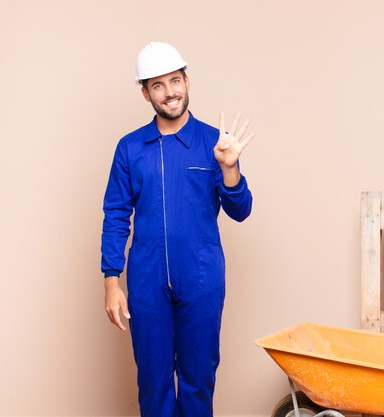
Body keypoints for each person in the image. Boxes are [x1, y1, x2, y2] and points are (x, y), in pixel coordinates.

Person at [100, 41, 254, 417]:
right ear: (145, 93)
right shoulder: (130, 148)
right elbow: (116, 213)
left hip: (201, 278)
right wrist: (111, 281)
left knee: (198, 378)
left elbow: (241, 211)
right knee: (153, 382)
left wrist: (230, 169)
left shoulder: (213, 144)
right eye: (158, 85)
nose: (169, 92)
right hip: (147, 280)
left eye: (174, 81)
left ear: (186, 80)